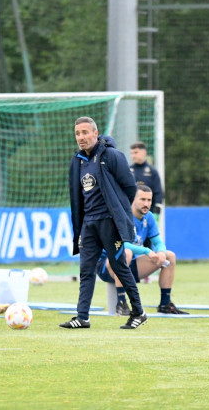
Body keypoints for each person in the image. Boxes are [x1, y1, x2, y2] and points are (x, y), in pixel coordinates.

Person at [60, 116, 147, 330]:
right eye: (78, 133)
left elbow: (129, 188)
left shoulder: (112, 156)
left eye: (85, 132)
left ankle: (139, 312)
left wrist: (117, 212)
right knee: (86, 270)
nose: (81, 137)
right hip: (89, 225)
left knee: (119, 267)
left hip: (109, 223)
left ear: (95, 133)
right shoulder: (77, 161)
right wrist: (80, 226)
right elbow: (77, 195)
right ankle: (82, 317)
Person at [97, 185, 188, 315]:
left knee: (169, 256)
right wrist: (146, 251)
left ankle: (165, 304)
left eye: (149, 200)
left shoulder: (149, 217)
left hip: (130, 266)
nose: (146, 203)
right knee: (126, 253)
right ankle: (121, 304)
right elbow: (121, 245)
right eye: (142, 199)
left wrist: (161, 252)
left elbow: (157, 242)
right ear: (133, 199)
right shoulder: (121, 215)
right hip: (107, 266)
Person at [129, 141, 164, 218]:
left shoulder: (152, 172)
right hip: (131, 214)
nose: (133, 156)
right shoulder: (128, 170)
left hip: (148, 213)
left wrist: (157, 211)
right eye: (132, 153)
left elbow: (158, 192)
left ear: (144, 152)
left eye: (136, 153)